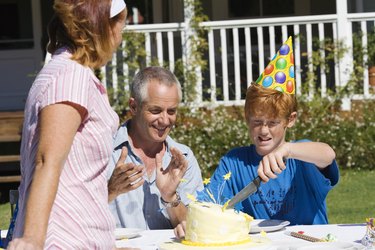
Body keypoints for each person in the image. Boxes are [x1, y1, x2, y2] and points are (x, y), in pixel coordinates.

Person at [174, 37, 339, 238]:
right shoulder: (234, 163)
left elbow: (327, 154)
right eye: (257, 122)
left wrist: (287, 149)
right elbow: (208, 205)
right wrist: (188, 218)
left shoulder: (301, 156)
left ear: (290, 120)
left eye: (272, 123)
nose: (263, 131)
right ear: (246, 118)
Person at [8, 0, 130, 249]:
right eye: (120, 27)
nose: (120, 38)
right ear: (102, 26)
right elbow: (47, 160)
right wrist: (32, 239)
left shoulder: (70, 73)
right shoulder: (70, 76)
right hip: (64, 239)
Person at [107, 66, 203, 230]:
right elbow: (74, 217)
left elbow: (194, 230)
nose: (165, 120)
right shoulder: (105, 151)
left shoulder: (184, 158)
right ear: (134, 107)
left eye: (171, 111)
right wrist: (110, 191)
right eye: (156, 110)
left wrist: (170, 197)